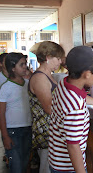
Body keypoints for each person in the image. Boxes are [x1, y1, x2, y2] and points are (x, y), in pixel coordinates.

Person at [48, 46, 93, 172]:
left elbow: (80, 97)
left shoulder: (64, 83)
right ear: (87, 74)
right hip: (67, 167)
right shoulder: (75, 109)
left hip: (56, 158)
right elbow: (73, 146)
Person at [28, 41, 65, 173]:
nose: (60, 62)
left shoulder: (48, 75)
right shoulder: (40, 78)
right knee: (47, 167)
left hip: (52, 130)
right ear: (48, 57)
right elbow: (49, 108)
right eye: (58, 58)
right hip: (46, 132)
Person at [0, 53, 32, 173]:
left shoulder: (28, 84)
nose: (25, 67)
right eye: (21, 65)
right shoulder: (6, 87)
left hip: (27, 128)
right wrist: (5, 136)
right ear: (12, 68)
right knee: (16, 166)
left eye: (25, 64)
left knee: (25, 161)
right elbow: (0, 114)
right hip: (12, 131)